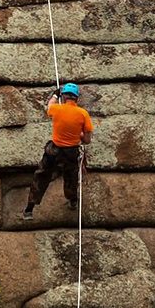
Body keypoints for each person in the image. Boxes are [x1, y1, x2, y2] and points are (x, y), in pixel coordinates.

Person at [22, 83, 94, 220]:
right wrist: (78, 135)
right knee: (71, 177)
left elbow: (49, 105)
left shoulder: (56, 109)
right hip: (71, 152)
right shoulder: (83, 114)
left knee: (42, 175)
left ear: (64, 97)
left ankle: (29, 209)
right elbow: (87, 140)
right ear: (77, 98)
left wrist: (56, 94)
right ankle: (72, 200)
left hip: (54, 150)